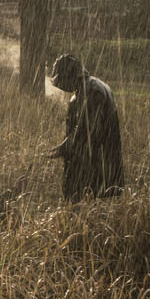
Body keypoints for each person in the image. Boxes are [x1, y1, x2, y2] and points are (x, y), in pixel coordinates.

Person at [45, 53, 124, 199]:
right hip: (100, 165)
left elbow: (89, 131)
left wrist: (64, 148)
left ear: (69, 75)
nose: (61, 86)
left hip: (96, 168)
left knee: (91, 209)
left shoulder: (91, 90)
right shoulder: (90, 87)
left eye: (61, 80)